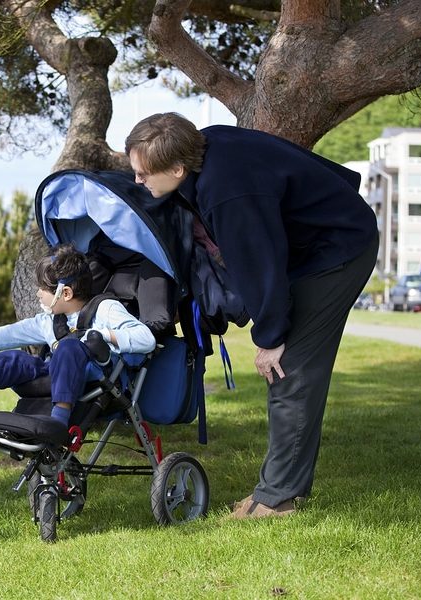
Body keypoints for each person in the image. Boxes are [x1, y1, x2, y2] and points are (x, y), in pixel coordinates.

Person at [125, 113, 378, 519]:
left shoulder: (228, 193)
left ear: (177, 168)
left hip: (338, 250)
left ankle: (276, 501)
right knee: (289, 364)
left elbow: (262, 266)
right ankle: (274, 491)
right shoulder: (204, 143)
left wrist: (271, 337)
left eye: (142, 174)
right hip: (318, 239)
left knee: (290, 369)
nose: (138, 181)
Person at [0, 244, 156, 427]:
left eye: (43, 288)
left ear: (65, 293)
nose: (37, 293)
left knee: (68, 347)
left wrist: (104, 335)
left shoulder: (105, 309)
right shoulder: (50, 322)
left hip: (98, 376)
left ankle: (59, 418)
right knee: (19, 359)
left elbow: (146, 338)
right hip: (58, 372)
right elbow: (10, 334)